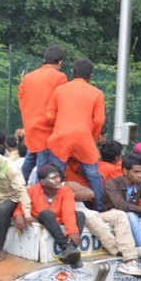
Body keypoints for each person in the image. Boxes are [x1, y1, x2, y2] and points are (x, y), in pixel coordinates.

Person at [46, 58, 106, 207]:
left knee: (54, 174)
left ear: (73, 73)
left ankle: (48, 204)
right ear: (90, 76)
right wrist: (91, 136)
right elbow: (99, 120)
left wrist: (60, 125)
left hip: (61, 137)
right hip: (84, 138)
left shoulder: (60, 89)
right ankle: (100, 209)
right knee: (93, 175)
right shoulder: (97, 93)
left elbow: (49, 115)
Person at [18, 46, 68, 179]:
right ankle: (38, 195)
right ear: (60, 62)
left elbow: (21, 100)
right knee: (43, 167)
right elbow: (61, 103)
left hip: (30, 125)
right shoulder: (60, 77)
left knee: (30, 159)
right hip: (47, 128)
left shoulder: (28, 77)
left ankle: (16, 189)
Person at [25, 163, 84, 266]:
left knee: (80, 215)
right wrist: (19, 215)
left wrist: (72, 231)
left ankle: (70, 250)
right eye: (53, 178)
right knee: (46, 213)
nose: (58, 180)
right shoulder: (32, 190)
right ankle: (65, 247)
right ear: (43, 182)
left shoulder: (66, 191)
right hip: (42, 221)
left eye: (58, 176)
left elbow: (68, 211)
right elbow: (21, 207)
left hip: (59, 222)